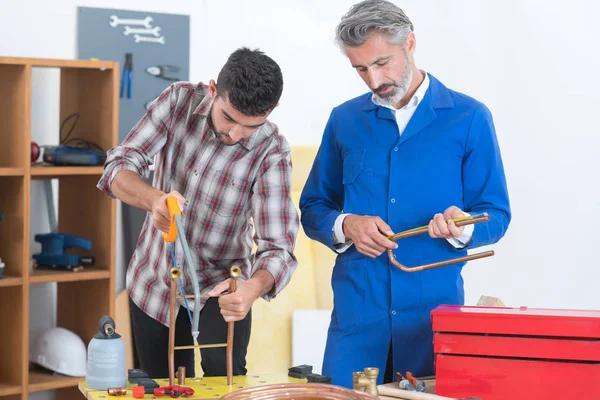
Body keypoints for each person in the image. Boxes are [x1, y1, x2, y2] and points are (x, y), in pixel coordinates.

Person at [299, 0, 511, 388]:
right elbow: (313, 207)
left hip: (433, 320)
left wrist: (462, 227)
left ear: (409, 43)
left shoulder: (468, 117)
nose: (373, 80)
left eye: (381, 63)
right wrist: (347, 224)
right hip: (357, 321)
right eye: (360, 69)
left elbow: (495, 214)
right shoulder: (344, 120)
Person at [97, 47, 299, 379]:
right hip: (154, 283)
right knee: (160, 385)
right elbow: (118, 167)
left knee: (226, 383)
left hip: (222, 291)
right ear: (213, 90)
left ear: (271, 111)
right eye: (228, 118)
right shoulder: (177, 101)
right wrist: (154, 200)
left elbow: (278, 249)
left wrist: (253, 288)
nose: (234, 134)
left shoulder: (272, 150)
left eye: (249, 126)